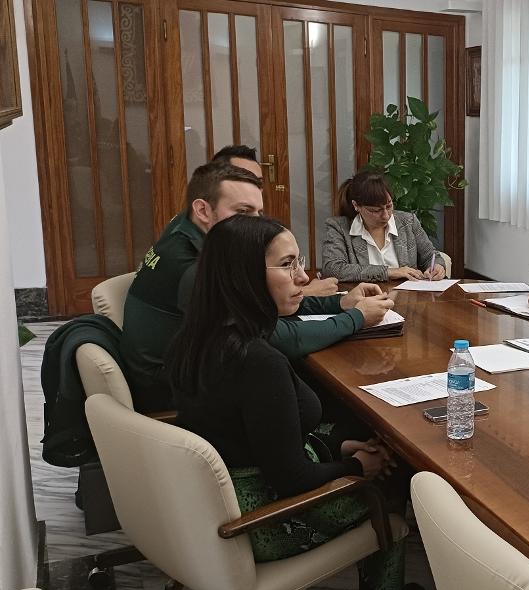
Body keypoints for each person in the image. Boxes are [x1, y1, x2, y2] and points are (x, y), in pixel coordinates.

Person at [168, 215, 425, 590]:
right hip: (261, 522)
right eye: (288, 265)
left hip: (211, 503)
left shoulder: (196, 338)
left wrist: (338, 449)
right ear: (244, 276)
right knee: (395, 472)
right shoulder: (257, 361)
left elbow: (249, 433)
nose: (303, 278)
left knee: (359, 439)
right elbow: (291, 478)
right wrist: (358, 468)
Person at [119, 161, 392, 411]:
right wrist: (355, 319)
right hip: (175, 392)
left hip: (192, 370)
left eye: (259, 212)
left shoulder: (188, 229)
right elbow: (272, 336)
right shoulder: (195, 268)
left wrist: (339, 302)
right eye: (243, 212)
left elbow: (257, 300)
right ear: (203, 210)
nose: (257, 223)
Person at [212, 144, 338, 296]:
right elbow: (239, 304)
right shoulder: (192, 248)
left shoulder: (250, 226)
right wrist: (305, 292)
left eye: (258, 183)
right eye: (243, 181)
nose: (254, 190)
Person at [320, 171, 449, 283]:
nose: (386, 215)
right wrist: (389, 272)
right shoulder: (339, 228)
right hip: (363, 303)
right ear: (356, 205)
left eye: (389, 206)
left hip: (407, 301)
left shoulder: (408, 221)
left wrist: (437, 266)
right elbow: (333, 269)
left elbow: (430, 256)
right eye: (376, 210)